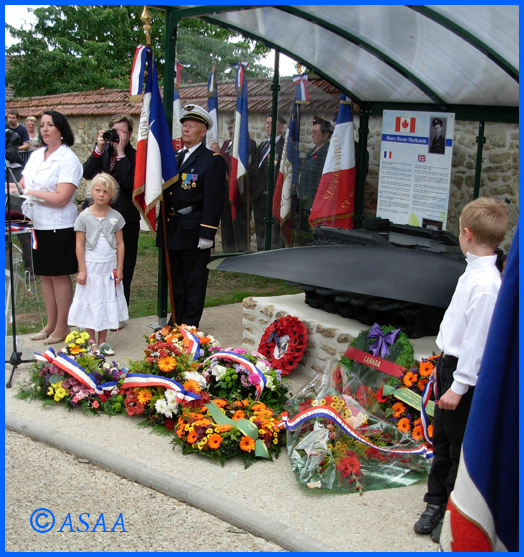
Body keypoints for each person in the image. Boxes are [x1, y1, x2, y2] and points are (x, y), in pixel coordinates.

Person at [413, 197, 509, 543]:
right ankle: (434, 501)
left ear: (466, 234)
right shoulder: (474, 270)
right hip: (448, 365)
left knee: (455, 446)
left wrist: (459, 385)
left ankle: (451, 509)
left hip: (462, 374)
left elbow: (478, 342)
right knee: (441, 440)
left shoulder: (486, 286)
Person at [156, 104, 226, 328]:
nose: (185, 129)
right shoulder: (174, 157)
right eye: (184, 125)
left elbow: (214, 200)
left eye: (191, 125)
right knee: (175, 277)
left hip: (194, 229)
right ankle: (175, 320)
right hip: (173, 225)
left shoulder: (212, 160)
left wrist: (207, 232)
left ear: (203, 131)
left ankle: (190, 324)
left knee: (193, 279)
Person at [20, 110, 83, 344]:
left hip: (59, 225)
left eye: (50, 125)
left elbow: (61, 197)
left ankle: (62, 327)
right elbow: (22, 185)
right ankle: (50, 323)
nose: (45, 129)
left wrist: (30, 193)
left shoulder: (68, 159)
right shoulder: (36, 156)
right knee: (45, 275)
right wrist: (23, 191)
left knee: (58, 275)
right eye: (42, 125)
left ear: (61, 129)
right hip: (38, 223)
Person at [68, 173, 128, 355]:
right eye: (98, 190)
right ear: (91, 192)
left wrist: (120, 268)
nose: (101, 194)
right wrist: (82, 270)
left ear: (112, 195)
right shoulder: (84, 217)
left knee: (105, 302)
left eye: (106, 191)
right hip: (92, 268)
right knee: (92, 301)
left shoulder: (116, 217)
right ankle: (91, 341)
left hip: (108, 269)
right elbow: (79, 245)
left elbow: (120, 244)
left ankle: (103, 342)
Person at [83, 114, 139, 312]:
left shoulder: (134, 155)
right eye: (114, 131)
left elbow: (127, 183)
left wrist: (121, 152)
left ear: (130, 133)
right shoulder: (104, 152)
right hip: (100, 218)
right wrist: (98, 149)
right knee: (101, 263)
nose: (117, 136)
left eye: (122, 131)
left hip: (125, 219)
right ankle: (101, 308)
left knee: (124, 265)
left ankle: (119, 310)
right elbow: (87, 173)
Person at [210, 118, 256, 252]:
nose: (230, 131)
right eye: (229, 128)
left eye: (232, 128)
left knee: (239, 223)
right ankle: (227, 250)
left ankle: (241, 251)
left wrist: (220, 153)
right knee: (226, 222)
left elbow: (239, 166)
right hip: (225, 189)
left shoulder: (248, 144)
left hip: (239, 191)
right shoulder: (226, 144)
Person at [294, 116, 332, 244]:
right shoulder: (311, 152)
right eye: (312, 132)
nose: (312, 135)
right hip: (304, 203)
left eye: (315, 132)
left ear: (326, 134)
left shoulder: (327, 153)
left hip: (315, 204)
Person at [251, 114, 286, 251]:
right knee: (260, 228)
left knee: (274, 231)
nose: (268, 126)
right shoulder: (263, 146)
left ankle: (273, 257)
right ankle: (261, 256)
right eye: (267, 123)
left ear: (281, 127)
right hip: (260, 196)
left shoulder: (283, 147)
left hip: (273, 196)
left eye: (272, 123)